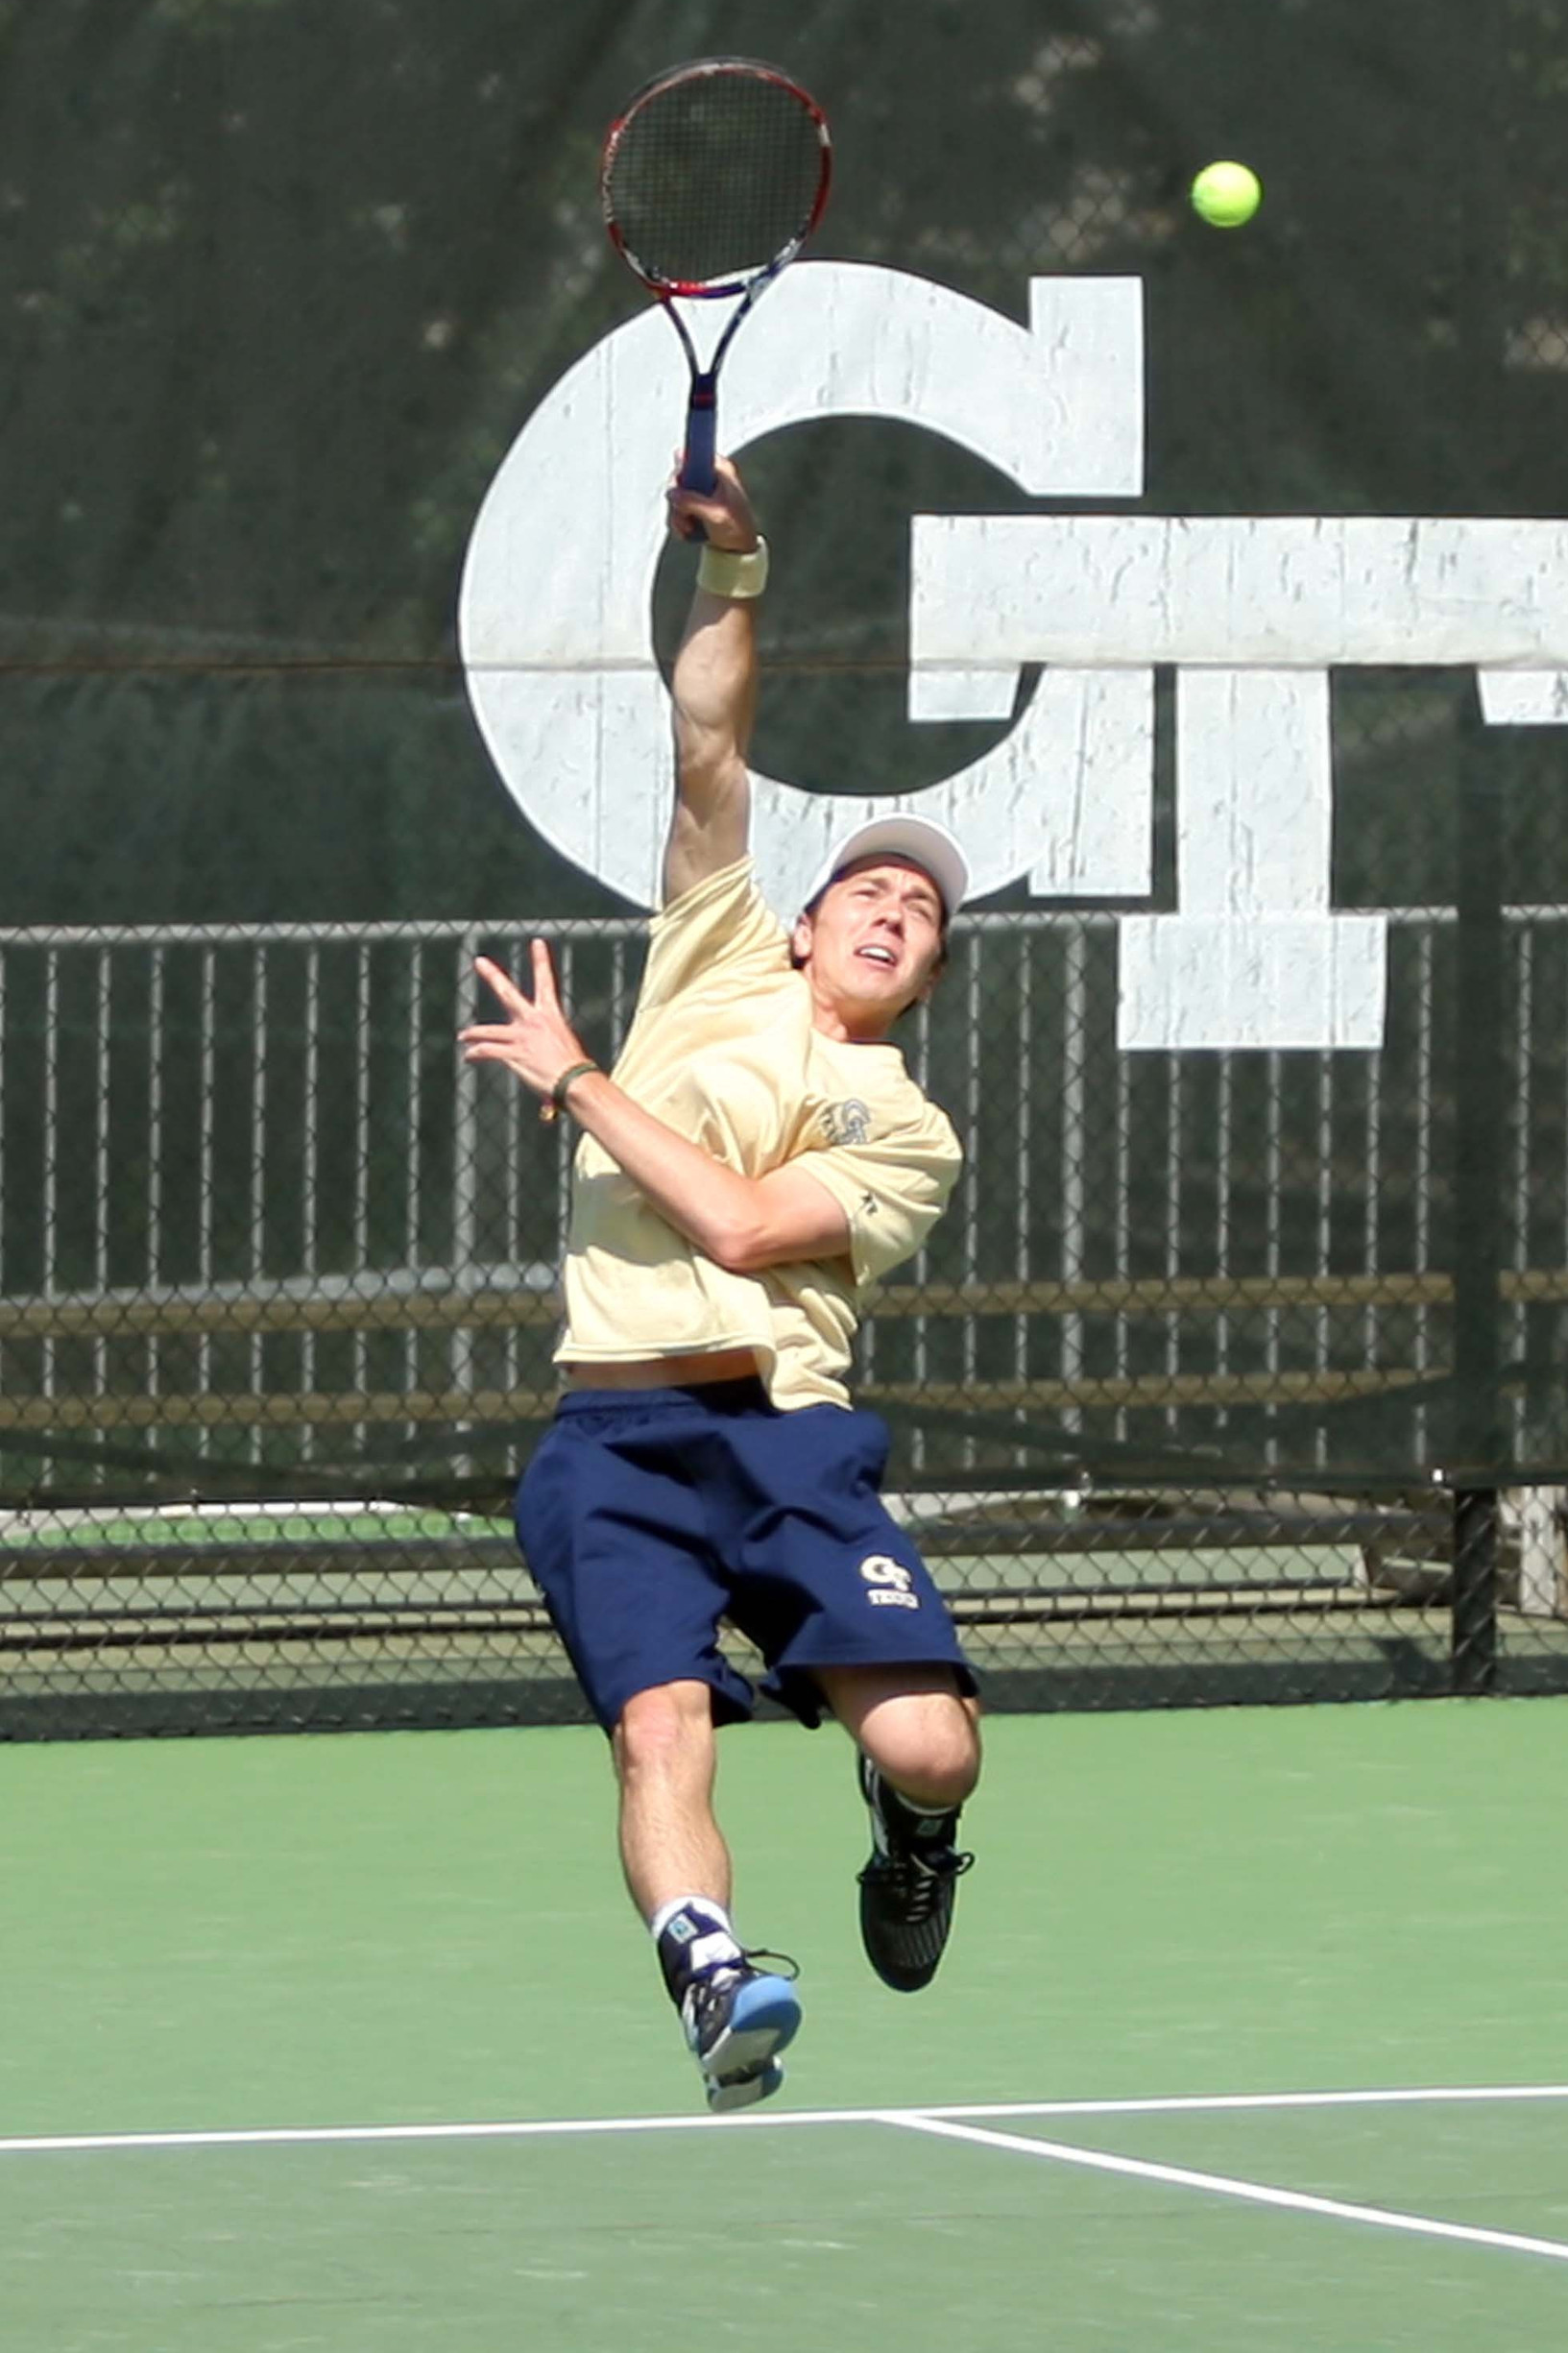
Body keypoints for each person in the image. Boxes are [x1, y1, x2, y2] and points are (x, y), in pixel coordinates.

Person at [458, 455, 980, 2114]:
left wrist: (581, 1083)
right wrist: (740, 568)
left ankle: (912, 1841)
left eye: (925, 915)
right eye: (872, 891)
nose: (896, 911)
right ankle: (710, 1975)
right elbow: (710, 744)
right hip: (611, 1447)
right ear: (806, 922)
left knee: (930, 1744)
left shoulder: (908, 1129)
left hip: (783, 1441)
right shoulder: (711, 947)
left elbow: (749, 1232)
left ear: (925, 978)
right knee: (656, 1730)